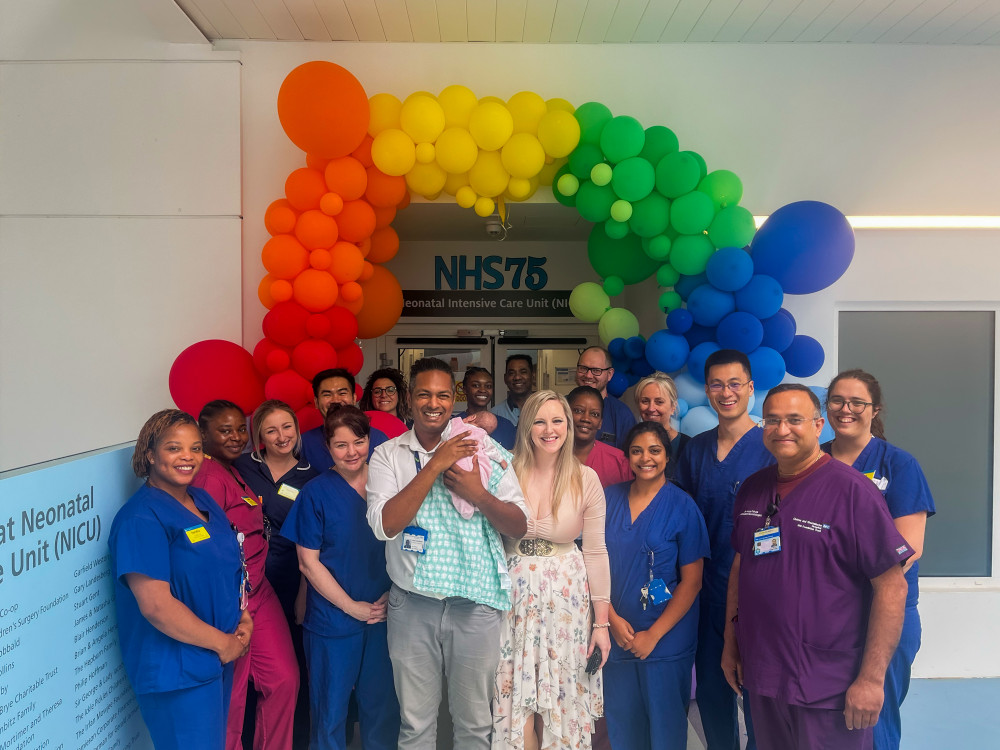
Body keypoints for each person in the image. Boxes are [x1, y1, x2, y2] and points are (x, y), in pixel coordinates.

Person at [723, 385, 912, 750]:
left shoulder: (853, 491)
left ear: (818, 425)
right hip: (763, 673)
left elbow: (892, 587)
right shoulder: (752, 489)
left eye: (794, 420)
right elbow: (740, 567)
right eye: (772, 420)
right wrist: (732, 644)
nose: (782, 430)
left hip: (828, 683)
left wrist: (872, 680)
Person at [366, 357, 529, 750]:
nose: (433, 403)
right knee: (416, 724)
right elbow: (384, 526)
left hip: (475, 607)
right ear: (409, 398)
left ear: (453, 398)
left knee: (474, 723)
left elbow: (519, 525)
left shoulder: (483, 448)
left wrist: (478, 494)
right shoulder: (388, 455)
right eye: (423, 394)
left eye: (442, 394)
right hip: (412, 605)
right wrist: (435, 464)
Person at [109, 409, 251, 750]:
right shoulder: (140, 518)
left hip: (216, 657)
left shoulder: (201, 500)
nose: (188, 456)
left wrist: (243, 616)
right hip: (177, 671)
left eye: (196, 448)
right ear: (150, 455)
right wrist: (223, 643)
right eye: (174, 448)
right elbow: (156, 606)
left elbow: (229, 563)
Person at [822, 370, 936, 750]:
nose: (846, 409)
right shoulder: (812, 463)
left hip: (882, 613)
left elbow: (909, 548)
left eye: (857, 402)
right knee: (822, 721)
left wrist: (838, 582)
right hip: (823, 616)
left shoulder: (899, 465)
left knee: (872, 721)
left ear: (875, 409)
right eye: (837, 400)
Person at [492, 390, 611, 750]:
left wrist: (601, 623)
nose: (549, 429)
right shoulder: (503, 470)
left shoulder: (585, 478)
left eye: (557, 420)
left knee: (560, 694)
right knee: (514, 697)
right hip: (512, 601)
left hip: (566, 605)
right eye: (540, 421)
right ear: (526, 426)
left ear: (569, 426)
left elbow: (595, 550)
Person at [282, 405, 399, 750]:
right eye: (341, 445)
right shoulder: (316, 493)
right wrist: (352, 607)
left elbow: (411, 543)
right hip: (333, 620)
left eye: (359, 441)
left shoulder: (387, 485)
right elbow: (308, 562)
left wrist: (393, 595)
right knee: (329, 712)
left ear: (370, 440)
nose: (352, 452)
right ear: (326, 447)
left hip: (384, 612)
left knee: (383, 708)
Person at [674, 349, 773, 750]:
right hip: (705, 590)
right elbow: (679, 517)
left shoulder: (770, 448)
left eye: (735, 384)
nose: (725, 392)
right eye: (716, 384)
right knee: (713, 691)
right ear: (707, 390)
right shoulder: (696, 450)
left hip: (758, 594)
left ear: (750, 388)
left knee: (758, 694)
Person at [193, 400, 299, 750]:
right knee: (233, 698)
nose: (236, 437)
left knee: (283, 679)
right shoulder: (208, 477)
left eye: (240, 429)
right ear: (203, 434)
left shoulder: (234, 469)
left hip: (259, 589)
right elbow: (204, 551)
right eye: (225, 430)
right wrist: (229, 605)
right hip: (230, 598)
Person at [604, 422, 710, 750]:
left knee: (665, 728)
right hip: (616, 632)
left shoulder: (683, 506)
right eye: (637, 450)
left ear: (667, 457)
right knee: (622, 724)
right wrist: (609, 618)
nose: (645, 458)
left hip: (665, 639)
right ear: (627, 456)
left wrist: (654, 634)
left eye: (654, 450)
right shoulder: (607, 499)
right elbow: (587, 565)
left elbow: (692, 583)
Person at [234, 400, 318, 748]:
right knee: (244, 668)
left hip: (289, 580)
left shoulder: (311, 478)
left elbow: (312, 543)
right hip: (244, 584)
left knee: (289, 671)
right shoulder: (240, 468)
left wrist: (303, 594)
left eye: (287, 427)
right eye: (272, 429)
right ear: (260, 436)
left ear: (297, 431)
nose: (281, 436)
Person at [302, 368, 388, 471]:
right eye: (327, 395)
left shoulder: (379, 439)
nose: (335, 400)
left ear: (354, 398)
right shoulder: (303, 444)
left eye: (342, 393)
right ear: (316, 402)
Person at [569, 385, 632, 487]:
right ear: (565, 414)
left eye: (594, 414)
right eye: (578, 411)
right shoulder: (550, 457)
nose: (586, 418)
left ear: (600, 423)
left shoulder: (620, 462)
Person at [575, 346, 636, 450]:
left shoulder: (622, 415)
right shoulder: (562, 407)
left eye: (596, 370)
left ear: (610, 374)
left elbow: (630, 460)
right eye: (583, 368)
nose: (588, 375)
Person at [635, 372, 691, 480]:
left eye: (659, 402)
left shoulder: (688, 447)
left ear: (673, 407)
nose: (651, 408)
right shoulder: (630, 443)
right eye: (645, 401)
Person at [460, 366, 517, 450]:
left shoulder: (506, 426)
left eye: (488, 386)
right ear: (464, 389)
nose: (483, 390)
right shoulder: (455, 424)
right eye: (476, 385)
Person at [491, 353, 535, 426]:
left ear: (533, 376)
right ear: (505, 378)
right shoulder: (494, 414)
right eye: (512, 373)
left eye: (523, 372)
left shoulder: (546, 408)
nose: (517, 377)